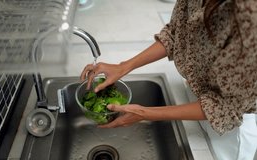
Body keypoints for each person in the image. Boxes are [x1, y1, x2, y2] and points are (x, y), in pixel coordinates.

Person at [80, 0, 257, 159]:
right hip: (197, 99)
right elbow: (176, 33)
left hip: (230, 133)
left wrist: (144, 113)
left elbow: (226, 107)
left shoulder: (250, 16)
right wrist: (124, 66)